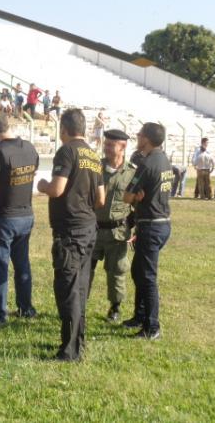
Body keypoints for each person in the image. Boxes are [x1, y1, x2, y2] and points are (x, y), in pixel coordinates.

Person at [37, 108, 104, 361]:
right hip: (89, 228)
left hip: (70, 231)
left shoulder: (66, 151)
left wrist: (43, 185)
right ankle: (78, 342)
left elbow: (57, 188)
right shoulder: (93, 155)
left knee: (67, 289)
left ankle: (69, 350)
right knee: (81, 287)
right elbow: (101, 198)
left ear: (64, 129)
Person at [0, 112, 39, 325]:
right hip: (26, 215)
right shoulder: (30, 148)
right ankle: (26, 308)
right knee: (22, 264)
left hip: (4, 217)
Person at [123, 122, 173, 340]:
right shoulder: (164, 159)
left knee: (147, 276)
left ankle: (152, 327)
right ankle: (139, 315)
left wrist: (135, 197)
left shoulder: (147, 163)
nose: (137, 135)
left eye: (140, 133)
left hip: (151, 225)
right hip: (162, 223)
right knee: (138, 271)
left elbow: (127, 196)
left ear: (147, 139)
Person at [89, 129, 135, 324]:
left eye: (111, 145)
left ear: (122, 147)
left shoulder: (132, 173)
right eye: (105, 144)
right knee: (85, 268)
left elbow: (138, 204)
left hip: (118, 232)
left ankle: (115, 307)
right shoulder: (94, 168)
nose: (106, 148)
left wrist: (135, 228)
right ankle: (80, 301)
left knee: (116, 271)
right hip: (93, 229)